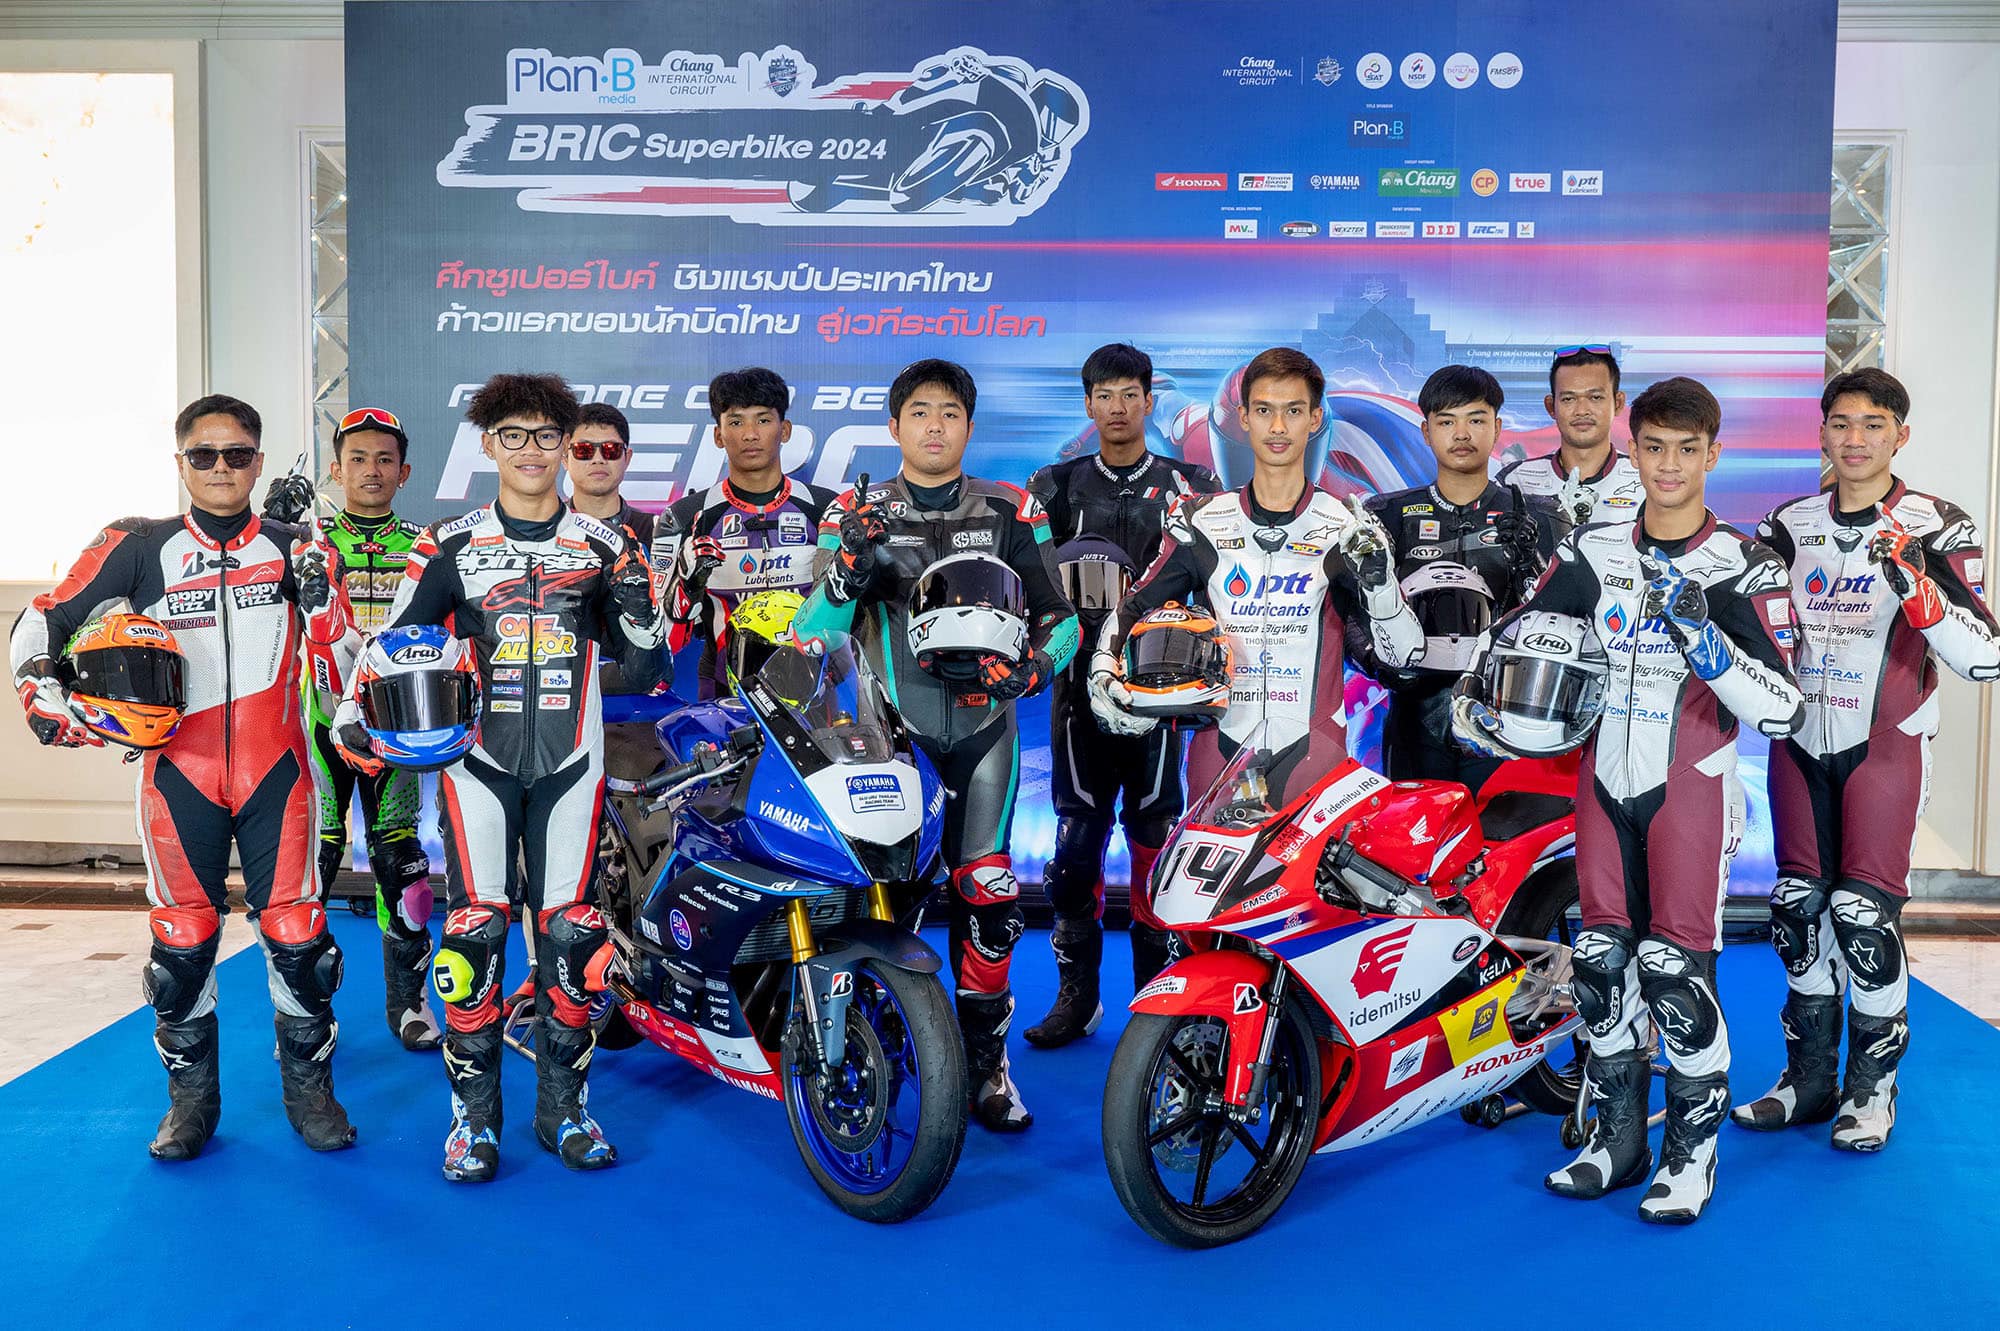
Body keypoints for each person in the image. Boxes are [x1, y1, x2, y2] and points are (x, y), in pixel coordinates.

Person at [1455, 376, 1803, 1223]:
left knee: (1675, 971)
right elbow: (1523, 634)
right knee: (1603, 963)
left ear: (1714, 454)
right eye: (1653, 447)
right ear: (1633, 449)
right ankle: (1617, 1141)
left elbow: (1785, 707)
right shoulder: (1593, 549)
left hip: (1693, 791)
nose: (1669, 465)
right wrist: (1480, 697)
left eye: (1687, 449)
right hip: (1602, 783)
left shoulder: (1746, 563)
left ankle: (1691, 1154)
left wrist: (1706, 638)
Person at [333, 372, 667, 1183]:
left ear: (564, 445)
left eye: (546, 435)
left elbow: (647, 666)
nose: (530, 450)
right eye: (513, 435)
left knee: (574, 936)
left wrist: (638, 605)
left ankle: (565, 1110)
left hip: (573, 763)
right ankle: (474, 1122)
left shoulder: (607, 544)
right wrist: (351, 714)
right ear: (488, 444)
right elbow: (390, 642)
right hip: (476, 764)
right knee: (473, 934)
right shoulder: (448, 542)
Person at [11, 394, 359, 1159]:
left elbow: (346, 669)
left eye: (237, 454)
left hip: (279, 773)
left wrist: (325, 608)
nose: (221, 467)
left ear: (258, 463)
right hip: (179, 775)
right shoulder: (138, 545)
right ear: (181, 463)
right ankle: (191, 1106)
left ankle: (310, 1095)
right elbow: (42, 616)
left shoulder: (300, 546)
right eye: (205, 454)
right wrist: (40, 687)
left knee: (301, 939)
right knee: (181, 946)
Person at [794, 358, 1080, 1132]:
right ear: (894, 426)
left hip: (985, 733)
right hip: (889, 742)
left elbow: (1061, 619)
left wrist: (1035, 669)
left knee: (989, 893)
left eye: (949, 413)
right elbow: (810, 633)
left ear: (969, 426)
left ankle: (986, 1066)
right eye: (919, 412)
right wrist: (848, 566)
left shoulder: (1011, 506)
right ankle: (875, 1053)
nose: (934, 426)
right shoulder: (856, 511)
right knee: (887, 899)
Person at [1734, 368, 1999, 1151]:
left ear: (1900, 435)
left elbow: (1984, 653)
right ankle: (1809, 1078)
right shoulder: (1786, 524)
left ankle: (1872, 1087)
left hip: (1887, 743)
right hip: (1798, 745)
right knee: (1796, 909)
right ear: (1822, 432)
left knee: (1862, 914)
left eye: (1873, 424)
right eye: (1842, 423)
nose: (1855, 439)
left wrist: (1917, 585)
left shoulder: (1937, 523)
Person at [1091, 346, 1425, 798]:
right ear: (1245, 417)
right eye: (1265, 410)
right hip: (1218, 746)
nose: (1279, 427)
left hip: (1315, 752)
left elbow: (1405, 655)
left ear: (1314, 419)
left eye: (1294, 411)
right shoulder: (1200, 520)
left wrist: (1381, 588)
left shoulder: (1348, 525)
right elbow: (1134, 606)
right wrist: (1103, 673)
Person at [1022, 343, 1221, 1047]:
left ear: (1148, 401)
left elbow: (1216, 582)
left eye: (1129, 394)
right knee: (1076, 843)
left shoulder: (1191, 483)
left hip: (1162, 689)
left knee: (1154, 840)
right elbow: (1029, 582)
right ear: (1088, 404)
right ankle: (1077, 998)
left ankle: (1154, 1002)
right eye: (1103, 395)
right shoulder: (1052, 486)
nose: (1116, 408)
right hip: (1079, 687)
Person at [295, 406, 440, 1052]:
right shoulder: (305, 541)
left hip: (393, 724)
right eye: (358, 458)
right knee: (313, 865)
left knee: (404, 869)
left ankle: (408, 1004)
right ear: (337, 469)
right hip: (322, 719)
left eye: (385, 459)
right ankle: (304, 1009)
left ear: (404, 472)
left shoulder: (427, 542)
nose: (372, 470)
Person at [1353, 365, 1565, 789]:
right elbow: (1351, 614)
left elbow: (1567, 618)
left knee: (1503, 831)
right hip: (1413, 720)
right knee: (1414, 831)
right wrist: (1377, 664)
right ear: (1426, 431)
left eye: (1476, 420)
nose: (1462, 434)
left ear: (1497, 427)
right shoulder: (1385, 515)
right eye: (1447, 422)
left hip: (1508, 720)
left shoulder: (1540, 517)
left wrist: (1532, 565)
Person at [662, 368, 836, 699]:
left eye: (763, 420)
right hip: (723, 687)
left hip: (815, 684)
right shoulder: (685, 517)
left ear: (785, 430)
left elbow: (852, 618)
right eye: (736, 422)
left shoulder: (827, 509)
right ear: (718, 435)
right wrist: (687, 586)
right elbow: (664, 641)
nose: (750, 434)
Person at [1496, 345, 1646, 526]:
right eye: (1568, 399)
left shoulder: (1647, 478)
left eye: (1595, 397)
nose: (1582, 410)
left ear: (1618, 403)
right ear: (1551, 407)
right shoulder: (1514, 479)